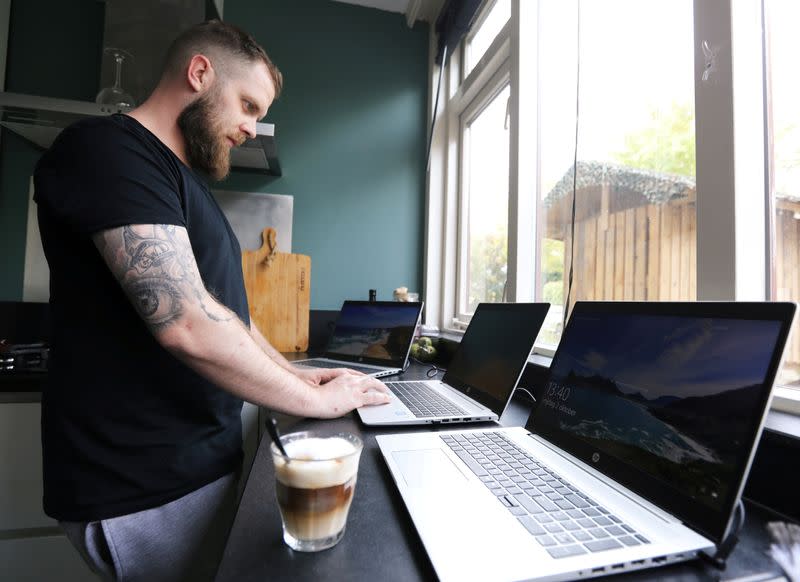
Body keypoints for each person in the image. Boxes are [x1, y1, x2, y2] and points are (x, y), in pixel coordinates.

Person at [33, 19, 390, 582]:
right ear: (199, 73)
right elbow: (186, 323)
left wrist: (304, 380)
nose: (253, 127)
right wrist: (319, 405)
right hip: (143, 487)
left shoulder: (177, 181)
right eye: (248, 105)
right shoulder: (109, 150)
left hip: (191, 471)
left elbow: (223, 315)